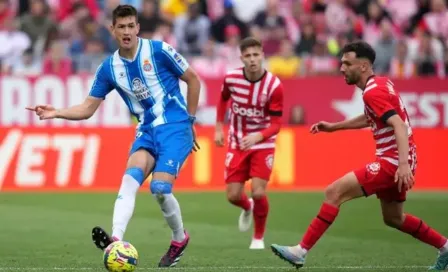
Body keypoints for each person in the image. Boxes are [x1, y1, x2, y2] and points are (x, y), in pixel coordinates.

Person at [26, 5, 201, 268]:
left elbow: (193, 79)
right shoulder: (109, 68)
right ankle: (116, 239)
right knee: (129, 180)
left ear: (138, 28)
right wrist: (57, 112)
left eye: (131, 26)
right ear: (113, 30)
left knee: (160, 189)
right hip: (146, 130)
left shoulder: (159, 51)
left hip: (175, 127)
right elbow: (87, 108)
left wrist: (189, 120)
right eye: (122, 27)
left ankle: (179, 239)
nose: (127, 31)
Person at [270, 41, 448, 270]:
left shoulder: (372, 93)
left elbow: (398, 126)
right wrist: (334, 127)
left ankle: (300, 251)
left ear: (363, 66)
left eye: (347, 63)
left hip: (393, 160)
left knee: (333, 192)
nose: (342, 68)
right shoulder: (381, 84)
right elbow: (373, 117)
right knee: (393, 217)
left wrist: (402, 165)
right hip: (402, 157)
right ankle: (445, 247)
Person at [214, 37, 284, 250]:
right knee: (233, 196)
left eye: (256, 55)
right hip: (237, 141)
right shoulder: (232, 79)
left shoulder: (274, 86)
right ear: (241, 58)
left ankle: (258, 238)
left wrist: (258, 136)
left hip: (262, 144)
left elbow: (276, 124)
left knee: (259, 191)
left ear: (262, 55)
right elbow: (222, 99)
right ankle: (247, 207)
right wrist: (218, 128)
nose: (253, 59)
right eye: (248, 56)